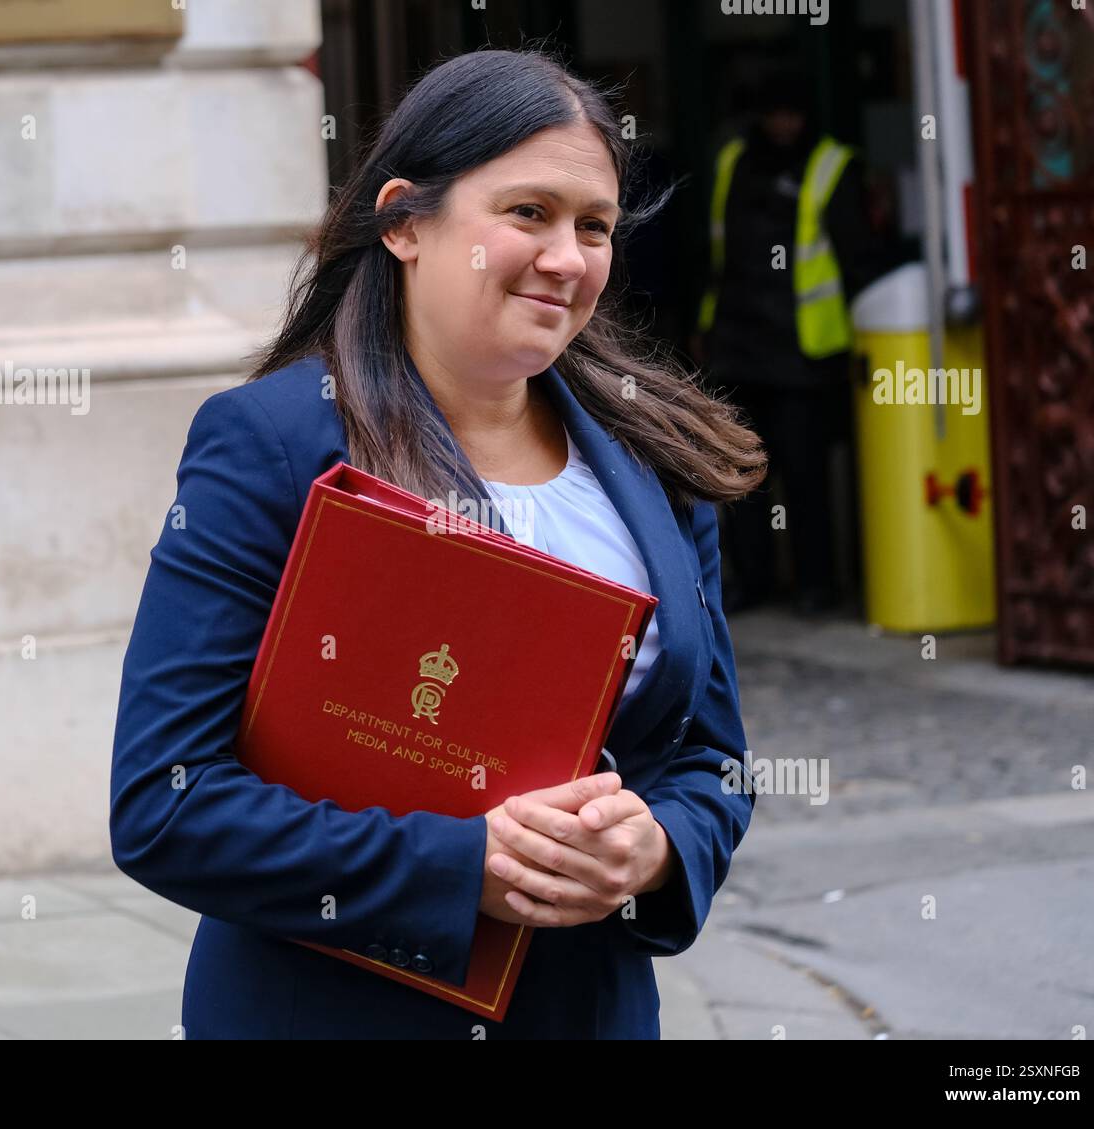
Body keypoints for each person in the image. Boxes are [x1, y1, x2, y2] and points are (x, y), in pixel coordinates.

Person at [110, 47, 766, 1040]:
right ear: (407, 222)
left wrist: (659, 843)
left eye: (594, 226)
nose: (568, 256)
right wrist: (466, 864)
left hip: (589, 1011)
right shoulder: (274, 444)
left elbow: (712, 759)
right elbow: (165, 801)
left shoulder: (657, 462)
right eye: (528, 213)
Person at [692, 67, 888, 617]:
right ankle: (753, 580)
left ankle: (815, 585)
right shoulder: (734, 161)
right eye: (775, 113)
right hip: (738, 343)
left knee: (806, 477)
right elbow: (717, 253)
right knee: (740, 476)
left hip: (804, 354)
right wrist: (706, 324)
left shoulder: (832, 167)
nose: (784, 124)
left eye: (792, 113)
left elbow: (859, 262)